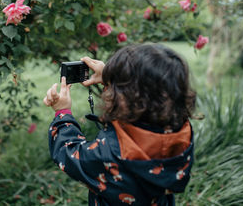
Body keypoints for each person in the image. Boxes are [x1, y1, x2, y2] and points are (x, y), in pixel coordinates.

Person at [43, 44, 196, 206]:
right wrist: (111, 78)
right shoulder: (182, 133)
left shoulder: (109, 154)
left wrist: (63, 112)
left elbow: (68, 152)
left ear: (126, 99)